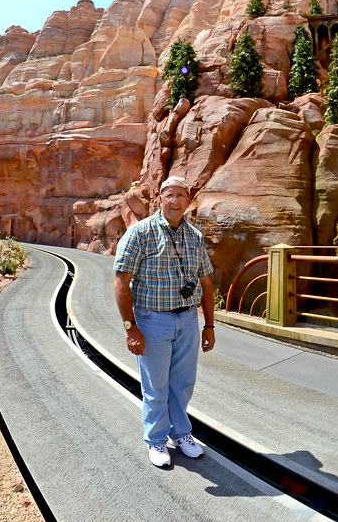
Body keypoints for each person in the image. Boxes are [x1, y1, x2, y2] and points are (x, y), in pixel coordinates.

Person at [113, 175, 216, 468]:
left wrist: (209, 325)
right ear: (159, 199)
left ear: (188, 200)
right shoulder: (140, 233)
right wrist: (131, 328)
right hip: (152, 320)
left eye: (181, 196)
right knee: (156, 385)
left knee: (183, 383)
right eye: (169, 195)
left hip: (187, 320)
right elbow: (121, 280)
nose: (175, 201)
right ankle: (156, 440)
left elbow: (206, 282)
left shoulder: (194, 236)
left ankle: (181, 433)